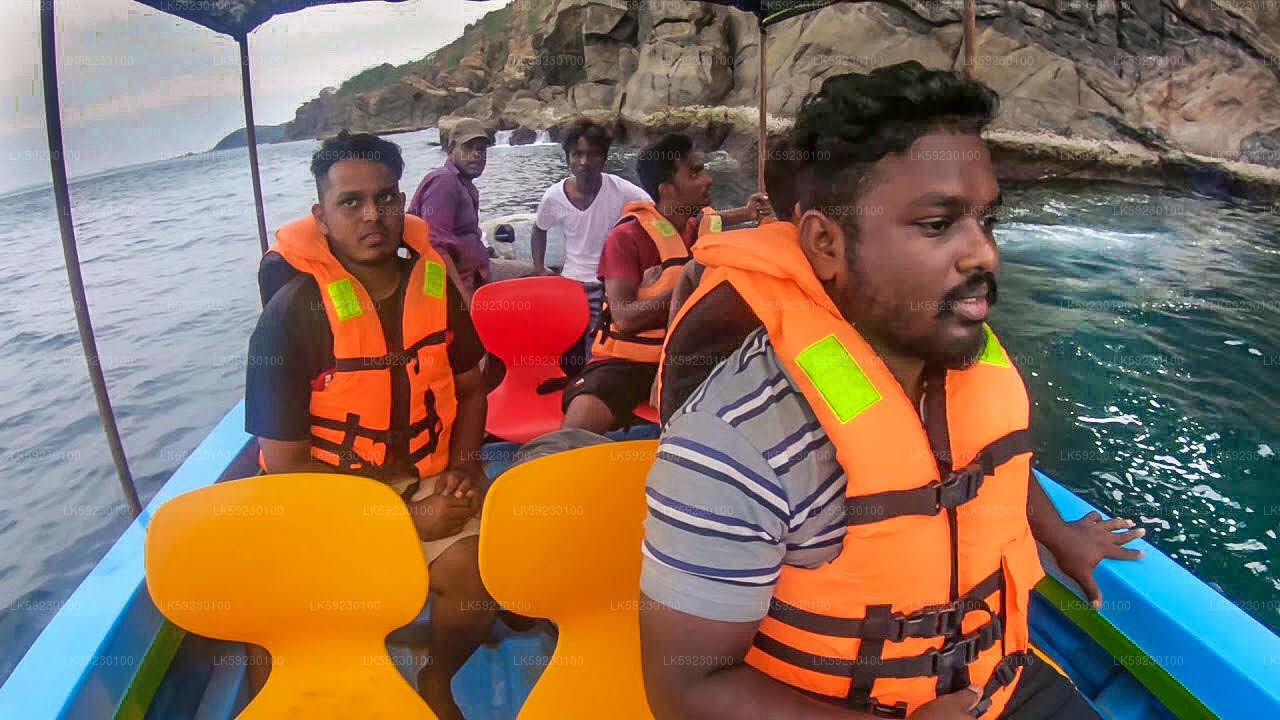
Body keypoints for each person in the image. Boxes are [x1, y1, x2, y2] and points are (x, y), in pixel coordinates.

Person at [639, 63, 1144, 720]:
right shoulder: (735, 443)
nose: (984, 255)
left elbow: (991, 455)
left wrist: (1058, 535)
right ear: (825, 242)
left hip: (1002, 683)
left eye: (986, 220)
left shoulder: (948, 351)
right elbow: (685, 691)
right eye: (937, 225)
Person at [244, 131, 494, 720]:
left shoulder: (434, 287)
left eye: (385, 199)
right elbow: (284, 468)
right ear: (321, 216)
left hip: (423, 474)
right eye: (350, 202)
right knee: (269, 626)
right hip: (322, 497)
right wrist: (404, 520)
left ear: (401, 200)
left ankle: (437, 678)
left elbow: (471, 387)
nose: (373, 216)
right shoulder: (290, 318)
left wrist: (466, 463)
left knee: (479, 588)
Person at [560, 133, 770, 433]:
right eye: (695, 173)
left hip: (689, 354)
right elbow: (624, 317)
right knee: (579, 423)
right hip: (631, 362)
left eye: (704, 169)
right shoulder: (626, 239)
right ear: (666, 190)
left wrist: (749, 213)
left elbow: (715, 221)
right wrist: (687, 289)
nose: (708, 179)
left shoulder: (694, 227)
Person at [531, 118, 651, 374]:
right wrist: (540, 269)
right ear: (568, 158)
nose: (584, 162)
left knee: (595, 343)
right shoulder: (554, 196)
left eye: (593, 154)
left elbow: (654, 213)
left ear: (604, 158)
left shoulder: (622, 191)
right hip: (570, 282)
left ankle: (587, 389)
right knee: (565, 344)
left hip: (608, 283)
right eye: (578, 154)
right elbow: (539, 229)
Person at [407, 118, 492, 300]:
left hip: (477, 274)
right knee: (535, 276)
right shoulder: (444, 182)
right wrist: (462, 298)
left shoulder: (464, 185)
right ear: (451, 149)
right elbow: (434, 245)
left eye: (481, 149)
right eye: (469, 148)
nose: (477, 154)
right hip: (458, 285)